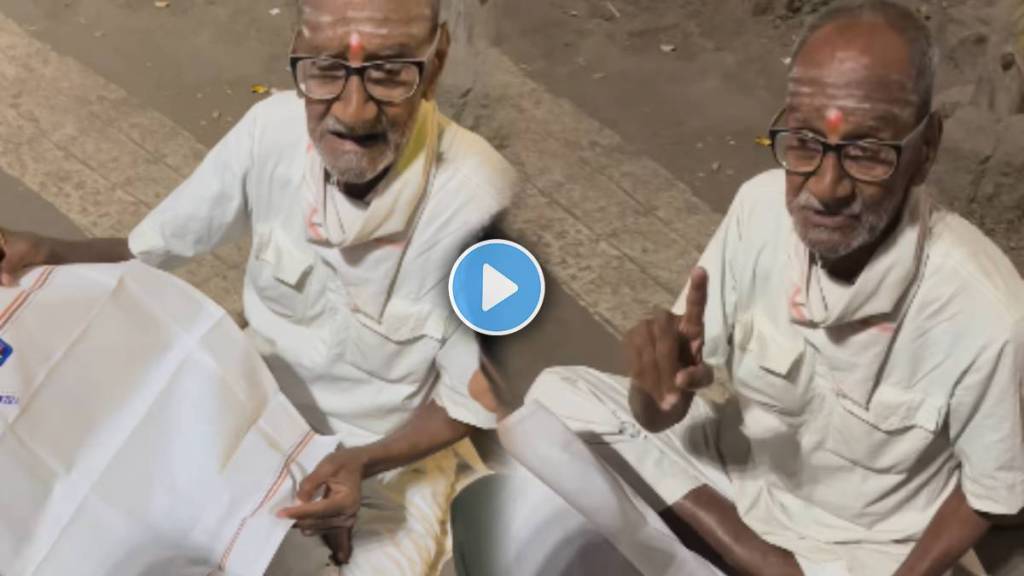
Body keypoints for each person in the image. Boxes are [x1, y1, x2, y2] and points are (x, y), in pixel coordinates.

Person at [0, 0, 517, 573]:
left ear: (436, 60)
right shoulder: (269, 132)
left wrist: (362, 462)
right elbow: (150, 250)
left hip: (383, 464)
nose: (352, 110)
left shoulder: (482, 206)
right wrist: (51, 252)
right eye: (325, 68)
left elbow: (469, 402)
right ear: (297, 49)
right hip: (242, 414)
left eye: (389, 72)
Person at [523, 2, 1024, 575]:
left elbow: (992, 493)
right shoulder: (758, 208)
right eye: (806, 142)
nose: (827, 187)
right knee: (558, 398)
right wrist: (653, 397)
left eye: (865, 152)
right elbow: (663, 408)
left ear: (926, 148)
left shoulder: (987, 311)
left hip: (858, 554)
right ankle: (753, 561)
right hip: (736, 485)